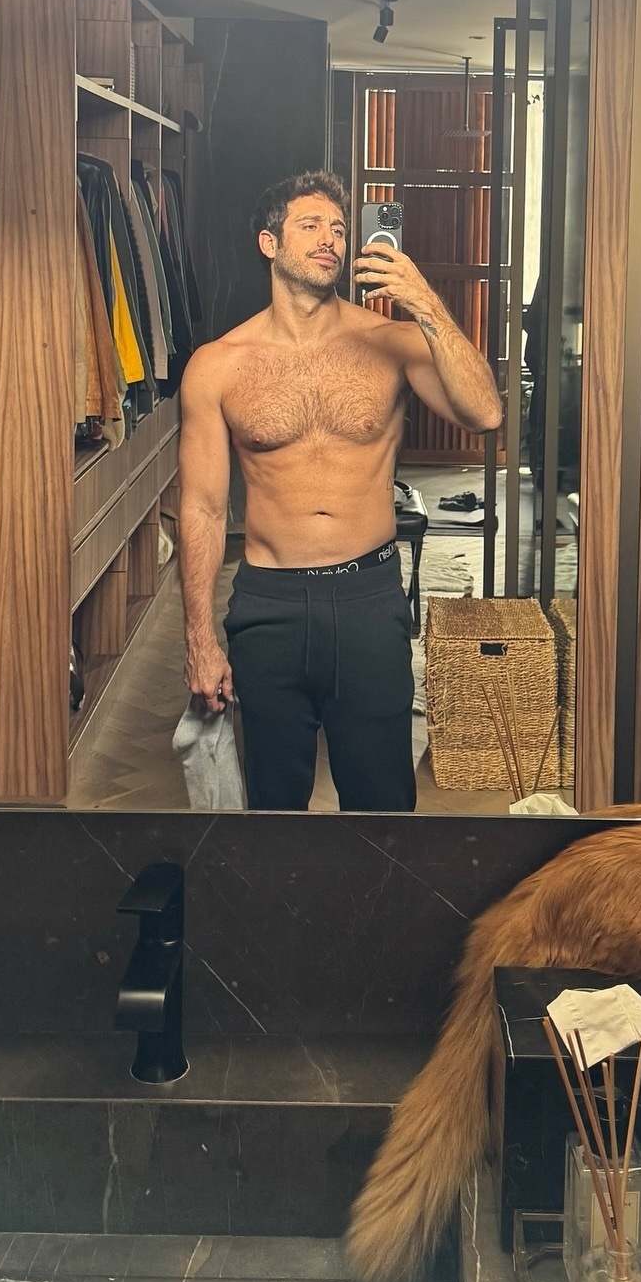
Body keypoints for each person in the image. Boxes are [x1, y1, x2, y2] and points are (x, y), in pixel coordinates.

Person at [177, 170, 502, 810]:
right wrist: (199, 639)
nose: (330, 239)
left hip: (368, 598)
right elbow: (204, 508)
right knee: (273, 813)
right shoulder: (218, 365)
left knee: (383, 813)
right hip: (268, 604)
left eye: (338, 228)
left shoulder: (391, 341)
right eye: (310, 226)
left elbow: (485, 413)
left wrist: (426, 305)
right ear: (270, 243)